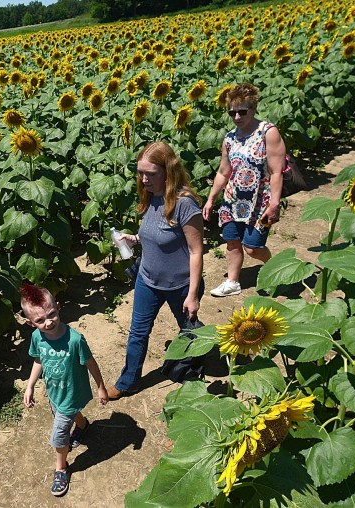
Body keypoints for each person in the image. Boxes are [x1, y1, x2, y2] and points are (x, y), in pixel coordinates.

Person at [106, 141, 205, 400]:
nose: (143, 179)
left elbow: (196, 252)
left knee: (189, 330)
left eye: (150, 174)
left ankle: (194, 368)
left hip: (180, 285)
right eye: (140, 172)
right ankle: (128, 382)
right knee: (138, 332)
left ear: (168, 172)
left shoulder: (185, 205)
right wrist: (134, 239)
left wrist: (192, 295)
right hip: (148, 279)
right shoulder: (151, 196)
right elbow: (155, 233)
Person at [20, 282, 108, 497]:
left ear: (58, 307)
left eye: (51, 314)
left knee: (60, 435)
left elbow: (91, 363)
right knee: (63, 413)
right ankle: (83, 425)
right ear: (30, 323)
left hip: (71, 393)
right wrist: (30, 386)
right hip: (54, 392)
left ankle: (61, 468)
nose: (48, 322)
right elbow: (38, 360)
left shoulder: (75, 340)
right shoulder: (37, 337)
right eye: (40, 320)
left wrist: (101, 387)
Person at [203, 83, 286, 297]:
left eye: (242, 111)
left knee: (252, 248)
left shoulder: (268, 132)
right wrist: (211, 199)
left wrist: (274, 203)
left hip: (260, 202)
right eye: (232, 113)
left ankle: (275, 268)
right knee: (232, 242)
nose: (237, 117)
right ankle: (232, 282)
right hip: (232, 200)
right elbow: (223, 172)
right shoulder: (230, 138)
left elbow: (276, 171)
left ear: (254, 108)